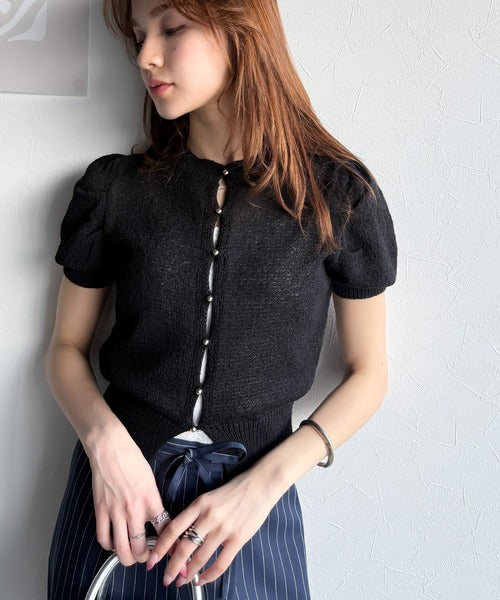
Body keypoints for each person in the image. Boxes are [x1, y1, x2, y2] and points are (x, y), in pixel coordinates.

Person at [45, 1, 398, 598]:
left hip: (250, 517)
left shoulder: (335, 195)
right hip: (115, 504)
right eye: (139, 35)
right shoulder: (117, 190)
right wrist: (106, 447)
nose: (145, 55)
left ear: (241, 29)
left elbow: (370, 373)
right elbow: (65, 348)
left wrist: (263, 487)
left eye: (171, 28)